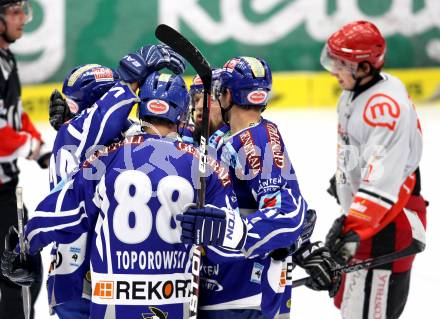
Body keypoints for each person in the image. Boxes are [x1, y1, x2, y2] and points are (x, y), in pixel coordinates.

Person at [1, 71, 246, 318]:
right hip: (174, 301)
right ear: (182, 115)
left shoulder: (103, 159)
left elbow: (61, 213)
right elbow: (233, 242)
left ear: (139, 111)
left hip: (112, 302)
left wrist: (25, 246)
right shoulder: (207, 165)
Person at [178, 56, 338, 318]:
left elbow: (287, 210)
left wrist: (291, 240)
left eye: (207, 97)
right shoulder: (226, 137)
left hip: (246, 292)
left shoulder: (255, 141)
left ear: (226, 95)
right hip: (223, 285)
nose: (199, 106)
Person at [40, 46, 186, 318]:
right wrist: (131, 78)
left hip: (79, 277)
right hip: (86, 278)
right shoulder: (80, 133)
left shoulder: (93, 134)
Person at [320, 20, 427, 319]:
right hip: (369, 219)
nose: (333, 70)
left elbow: (383, 181)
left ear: (365, 68)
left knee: (367, 313)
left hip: (387, 223)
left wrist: (352, 228)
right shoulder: (354, 92)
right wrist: (346, 177)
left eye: (341, 64)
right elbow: (360, 151)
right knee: (351, 305)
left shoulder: (385, 109)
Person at [0, 1, 43, 317]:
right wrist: (29, 145)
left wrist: (37, 144)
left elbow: (13, 116)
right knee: (21, 274)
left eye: (22, 12)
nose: (22, 20)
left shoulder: (6, 59)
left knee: (22, 271)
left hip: (5, 187)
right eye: (14, 13)